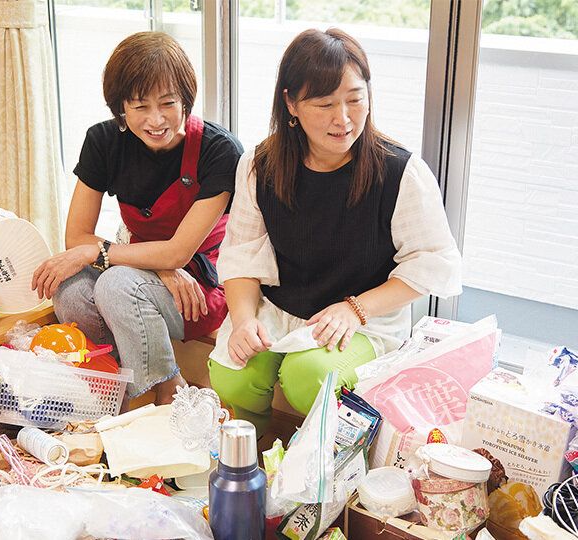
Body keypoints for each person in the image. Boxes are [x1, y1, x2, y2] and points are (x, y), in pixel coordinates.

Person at [208, 28, 462, 436]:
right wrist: (242, 320)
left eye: (355, 99)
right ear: (291, 103)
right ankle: (252, 456)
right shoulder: (261, 165)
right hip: (281, 310)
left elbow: (432, 265)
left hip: (365, 320)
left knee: (310, 376)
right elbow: (241, 255)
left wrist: (355, 309)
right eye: (324, 104)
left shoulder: (401, 172)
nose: (342, 119)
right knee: (233, 373)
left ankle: (325, 465)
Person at [32, 32, 243, 405]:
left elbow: (178, 253)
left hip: (200, 285)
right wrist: (158, 265)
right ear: (121, 108)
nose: (156, 119)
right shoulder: (103, 142)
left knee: (115, 286)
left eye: (168, 103)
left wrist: (102, 253)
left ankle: (168, 390)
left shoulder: (218, 151)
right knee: (71, 290)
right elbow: (77, 236)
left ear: (186, 100)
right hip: (140, 266)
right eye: (140, 106)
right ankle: (114, 393)